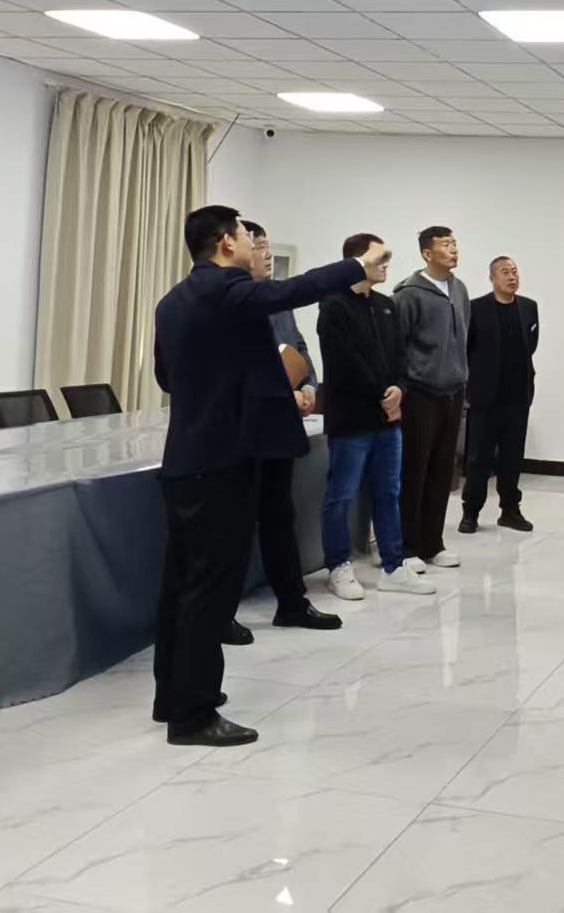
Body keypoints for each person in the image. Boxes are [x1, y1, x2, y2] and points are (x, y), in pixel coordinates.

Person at [151, 205, 366, 747]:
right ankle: (193, 715)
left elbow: (168, 377)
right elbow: (297, 289)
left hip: (187, 461)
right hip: (221, 462)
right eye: (247, 234)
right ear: (226, 242)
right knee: (209, 591)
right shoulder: (228, 290)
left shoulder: (173, 301)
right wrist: (358, 264)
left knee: (182, 585)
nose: (253, 243)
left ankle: (172, 696)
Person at [212, 220, 341, 640]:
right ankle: (221, 614)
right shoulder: (230, 304)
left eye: (268, 247)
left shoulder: (279, 303)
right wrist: (283, 392)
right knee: (235, 524)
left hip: (279, 428)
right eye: (259, 246)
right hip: (242, 431)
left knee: (280, 516)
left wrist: (308, 387)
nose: (267, 255)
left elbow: (299, 350)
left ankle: (292, 603)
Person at [317, 233, 437, 598]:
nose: (386, 264)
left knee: (388, 492)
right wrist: (381, 395)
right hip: (351, 419)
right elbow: (344, 363)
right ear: (356, 262)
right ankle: (338, 565)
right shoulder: (334, 305)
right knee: (341, 495)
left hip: (388, 419)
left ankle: (393, 565)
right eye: (379, 258)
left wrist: (399, 388)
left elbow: (400, 357)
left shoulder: (387, 305)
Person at [393, 226, 469, 570]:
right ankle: (407, 546)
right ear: (427, 253)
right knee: (414, 471)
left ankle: (432, 543)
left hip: (453, 392)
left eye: (455, 243)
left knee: (442, 470)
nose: (453, 249)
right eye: (445, 244)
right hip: (420, 393)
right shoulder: (409, 293)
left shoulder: (459, 288)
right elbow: (397, 346)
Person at [460, 256, 537, 534]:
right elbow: (466, 349)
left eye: (515, 271)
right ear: (492, 278)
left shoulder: (528, 307)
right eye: (505, 272)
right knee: (479, 457)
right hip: (485, 396)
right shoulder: (476, 308)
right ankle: (471, 511)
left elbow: (531, 346)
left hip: (518, 396)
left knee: (513, 456)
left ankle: (510, 510)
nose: (512, 276)